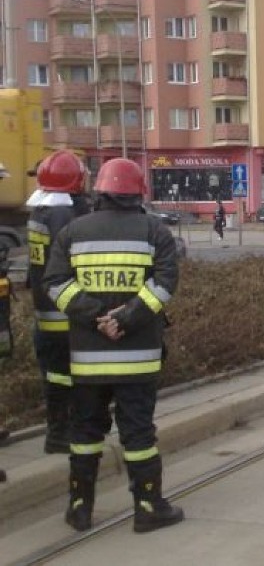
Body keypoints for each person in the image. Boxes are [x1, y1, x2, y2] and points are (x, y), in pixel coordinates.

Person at [43, 158, 183, 534]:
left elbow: (55, 284)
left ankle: (79, 508)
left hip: (88, 361)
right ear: (138, 192)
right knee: (138, 434)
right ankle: (148, 506)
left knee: (86, 432)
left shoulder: (72, 233)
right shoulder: (156, 233)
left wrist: (95, 317)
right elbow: (165, 284)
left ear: (100, 190)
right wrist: (126, 318)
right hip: (138, 360)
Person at [27, 150, 91, 454]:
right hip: (66, 312)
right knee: (71, 377)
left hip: (45, 311)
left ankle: (57, 433)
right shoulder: (64, 214)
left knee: (55, 376)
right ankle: (67, 433)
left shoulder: (39, 210)